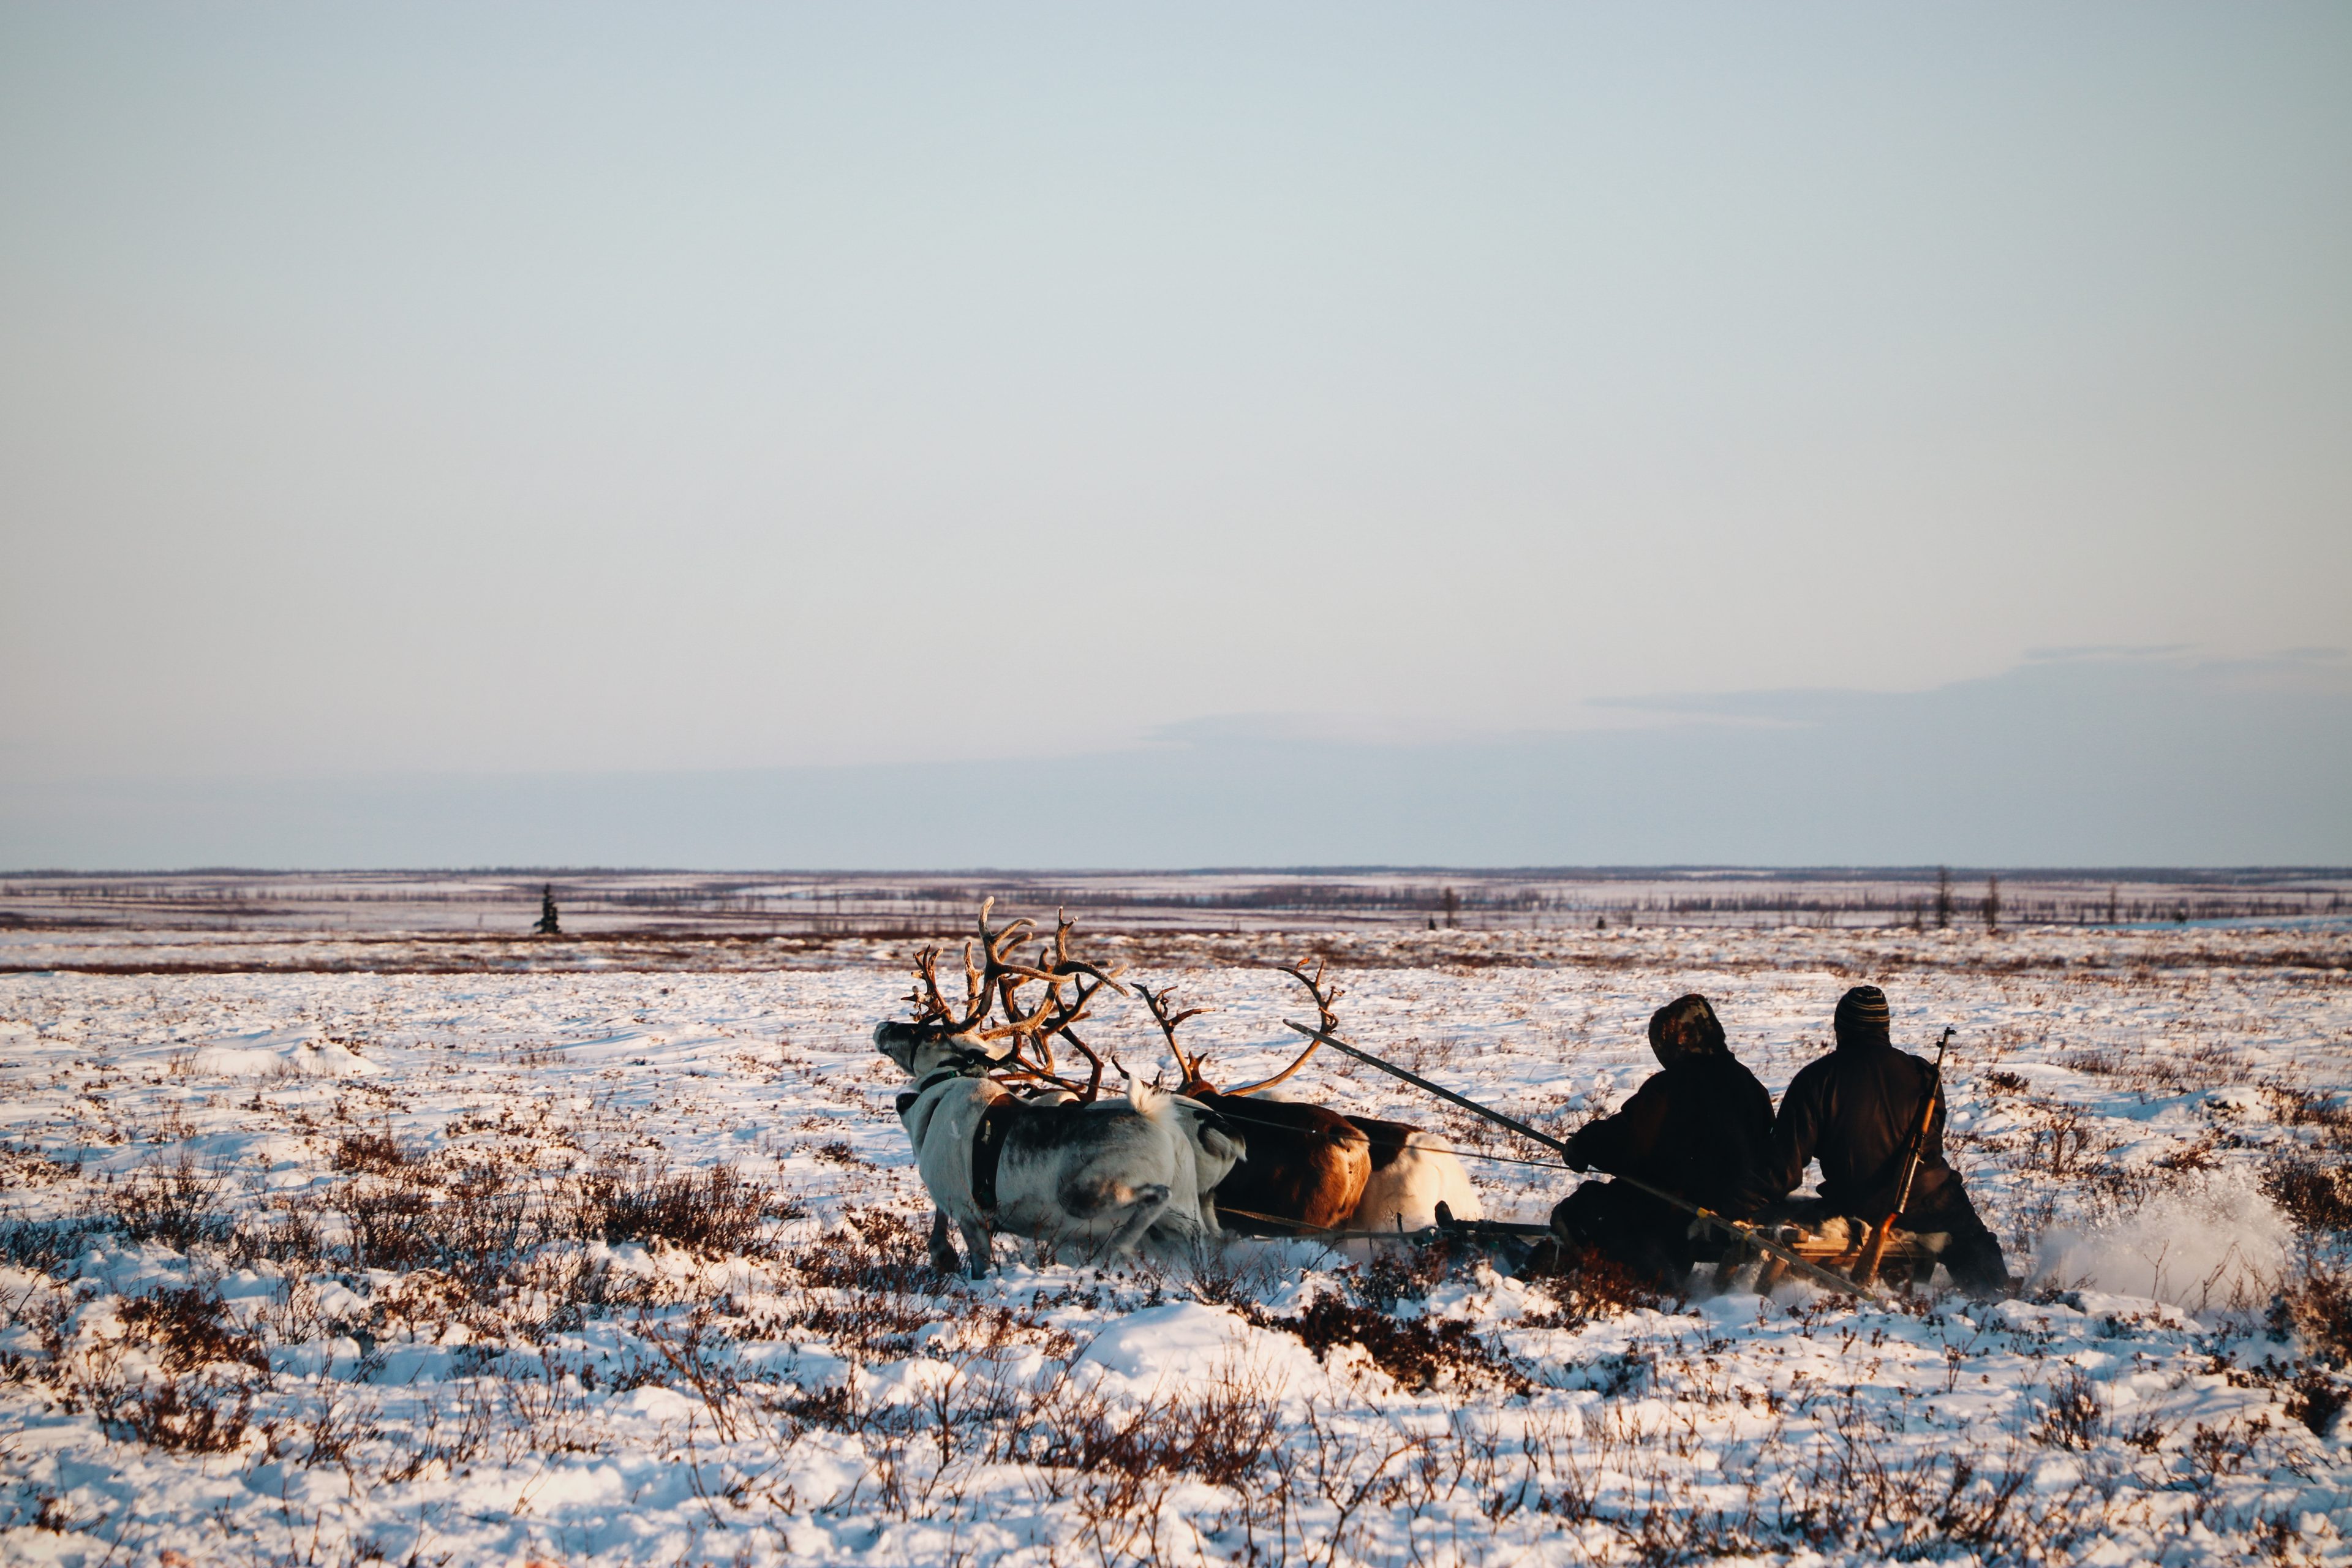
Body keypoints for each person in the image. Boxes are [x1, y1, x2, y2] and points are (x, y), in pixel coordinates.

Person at [1747, 984, 2010, 1295]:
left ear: (1840, 1028)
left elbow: (1785, 1167)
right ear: (1885, 1027)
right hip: (1932, 1200)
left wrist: (1752, 1201)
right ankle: (2002, 1303)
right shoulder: (1922, 1072)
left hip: (1857, 1204)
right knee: (1979, 1253)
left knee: (1793, 1213)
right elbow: (1932, 1139)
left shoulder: (1815, 1079)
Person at [1547, 994, 1775, 1286]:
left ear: (1677, 1040)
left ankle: (1608, 1281)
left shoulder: (1672, 1087)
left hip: (1678, 1215)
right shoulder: (1750, 1084)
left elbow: (1627, 1143)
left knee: (1579, 1208)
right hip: (1738, 1206)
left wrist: (1581, 1146)